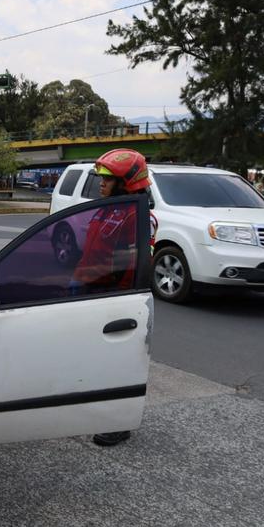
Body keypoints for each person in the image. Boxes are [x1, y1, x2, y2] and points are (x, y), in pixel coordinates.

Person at [73, 148, 156, 447]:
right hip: (91, 292)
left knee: (118, 362)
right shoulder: (108, 208)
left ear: (126, 182)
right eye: (100, 179)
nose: (101, 184)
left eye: (108, 180)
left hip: (115, 299)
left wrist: (121, 301)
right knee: (94, 358)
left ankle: (118, 422)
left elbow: (136, 265)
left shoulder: (139, 217)